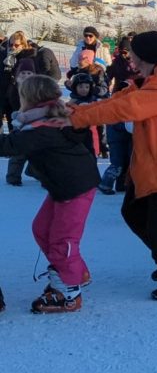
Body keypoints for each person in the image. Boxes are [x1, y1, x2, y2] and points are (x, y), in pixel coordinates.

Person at [67, 31, 157, 301]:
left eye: (134, 57)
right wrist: (75, 113)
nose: (131, 62)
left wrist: (76, 120)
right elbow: (115, 101)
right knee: (133, 212)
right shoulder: (148, 82)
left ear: (145, 57)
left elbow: (125, 108)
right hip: (150, 164)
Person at [0, 75, 99, 313]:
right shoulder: (43, 119)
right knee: (41, 229)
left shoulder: (43, 128)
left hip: (74, 187)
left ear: (30, 99)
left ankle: (69, 293)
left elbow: (9, 145)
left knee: (61, 241)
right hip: (64, 186)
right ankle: (76, 272)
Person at [5, 59, 37, 186]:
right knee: (19, 152)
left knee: (38, 151)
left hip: (36, 123)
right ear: (17, 75)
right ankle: (13, 176)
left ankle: (35, 171)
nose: (26, 76)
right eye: (23, 73)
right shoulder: (13, 88)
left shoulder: (37, 88)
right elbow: (9, 106)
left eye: (29, 73)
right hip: (19, 124)